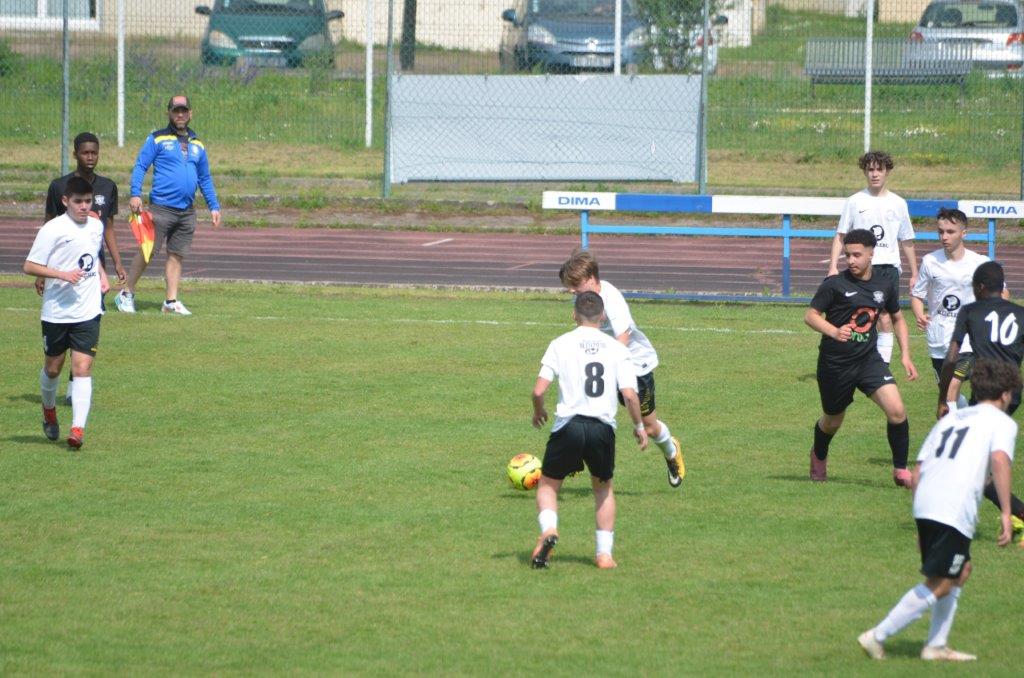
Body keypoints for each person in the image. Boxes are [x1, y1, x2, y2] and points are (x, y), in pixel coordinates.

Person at [858, 359, 1019, 662]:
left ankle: (936, 645)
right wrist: (1005, 512)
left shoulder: (950, 419)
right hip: (952, 507)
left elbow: (918, 471)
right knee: (942, 582)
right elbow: (999, 460)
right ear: (1006, 394)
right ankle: (877, 635)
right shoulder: (1002, 423)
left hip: (927, 502)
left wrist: (919, 517)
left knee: (961, 570)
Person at [530, 291, 648, 570]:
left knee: (548, 486)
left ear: (574, 314)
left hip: (568, 426)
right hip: (602, 429)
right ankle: (604, 555)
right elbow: (630, 395)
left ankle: (549, 529)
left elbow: (538, 391)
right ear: (602, 316)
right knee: (603, 490)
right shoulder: (618, 349)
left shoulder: (560, 343)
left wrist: (538, 411)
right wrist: (639, 426)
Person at [558, 250, 685, 488]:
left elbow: (623, 338)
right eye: (570, 286)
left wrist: (609, 367)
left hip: (635, 366)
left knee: (650, 427)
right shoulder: (583, 298)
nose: (572, 290)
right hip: (607, 365)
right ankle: (575, 458)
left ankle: (671, 451)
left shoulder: (612, 299)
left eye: (575, 284)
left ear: (591, 278)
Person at [806, 229, 919, 486]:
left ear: (871, 254)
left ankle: (900, 470)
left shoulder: (884, 284)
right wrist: (834, 331)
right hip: (835, 364)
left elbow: (898, 318)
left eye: (857, 255)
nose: (851, 260)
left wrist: (905, 356)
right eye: (847, 255)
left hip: (868, 361)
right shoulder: (834, 284)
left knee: (897, 411)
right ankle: (818, 454)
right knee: (832, 421)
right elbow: (810, 316)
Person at [937, 261, 1024, 540]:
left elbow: (951, 358)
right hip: (1011, 394)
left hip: (986, 393)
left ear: (980, 287)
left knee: (970, 461)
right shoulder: (1020, 314)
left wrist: (943, 398)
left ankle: (1017, 513)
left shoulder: (970, 311)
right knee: (977, 460)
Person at [115, 94, 221, 316]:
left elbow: (204, 178)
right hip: (161, 208)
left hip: (187, 211)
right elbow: (141, 165)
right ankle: (126, 293)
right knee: (147, 251)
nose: (180, 115)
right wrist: (135, 194)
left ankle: (170, 301)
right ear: (169, 113)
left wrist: (214, 206)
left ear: (190, 114)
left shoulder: (198, 144)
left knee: (176, 255)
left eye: (184, 111)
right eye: (176, 111)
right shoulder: (157, 139)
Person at [23, 176, 109, 450]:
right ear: (65, 201)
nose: (84, 207)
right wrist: (61, 274)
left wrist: (102, 274)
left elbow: (91, 254)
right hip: (57, 312)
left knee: (82, 368)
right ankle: (49, 409)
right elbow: (29, 265)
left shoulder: (96, 225)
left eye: (88, 201)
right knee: (53, 368)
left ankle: (77, 429)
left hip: (88, 310)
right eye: (78, 202)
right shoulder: (52, 229)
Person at [40, 131, 125, 405]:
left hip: (92, 272)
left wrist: (117, 262)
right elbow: (48, 226)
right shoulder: (59, 187)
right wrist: (42, 270)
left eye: (94, 152)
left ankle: (74, 386)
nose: (90, 157)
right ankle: (55, 381)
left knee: (86, 327)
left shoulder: (108, 187)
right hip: (62, 272)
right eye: (85, 152)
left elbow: (108, 228)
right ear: (75, 154)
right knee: (62, 335)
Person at [827, 150, 917, 366]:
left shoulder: (898, 203)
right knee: (859, 313)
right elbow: (841, 235)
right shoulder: (854, 201)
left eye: (879, 169)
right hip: (862, 267)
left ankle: (882, 365)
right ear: (865, 172)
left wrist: (915, 273)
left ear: (887, 172)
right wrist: (833, 266)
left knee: (885, 315)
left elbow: (906, 239)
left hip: (888, 267)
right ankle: (856, 359)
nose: (875, 174)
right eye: (870, 170)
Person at [910, 208, 992, 406]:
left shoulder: (980, 263)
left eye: (950, 232)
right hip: (938, 337)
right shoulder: (930, 261)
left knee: (963, 387)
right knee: (947, 394)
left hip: (969, 338)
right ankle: (967, 416)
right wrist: (919, 314)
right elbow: (917, 295)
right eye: (940, 232)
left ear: (964, 233)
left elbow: (1001, 293)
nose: (944, 236)